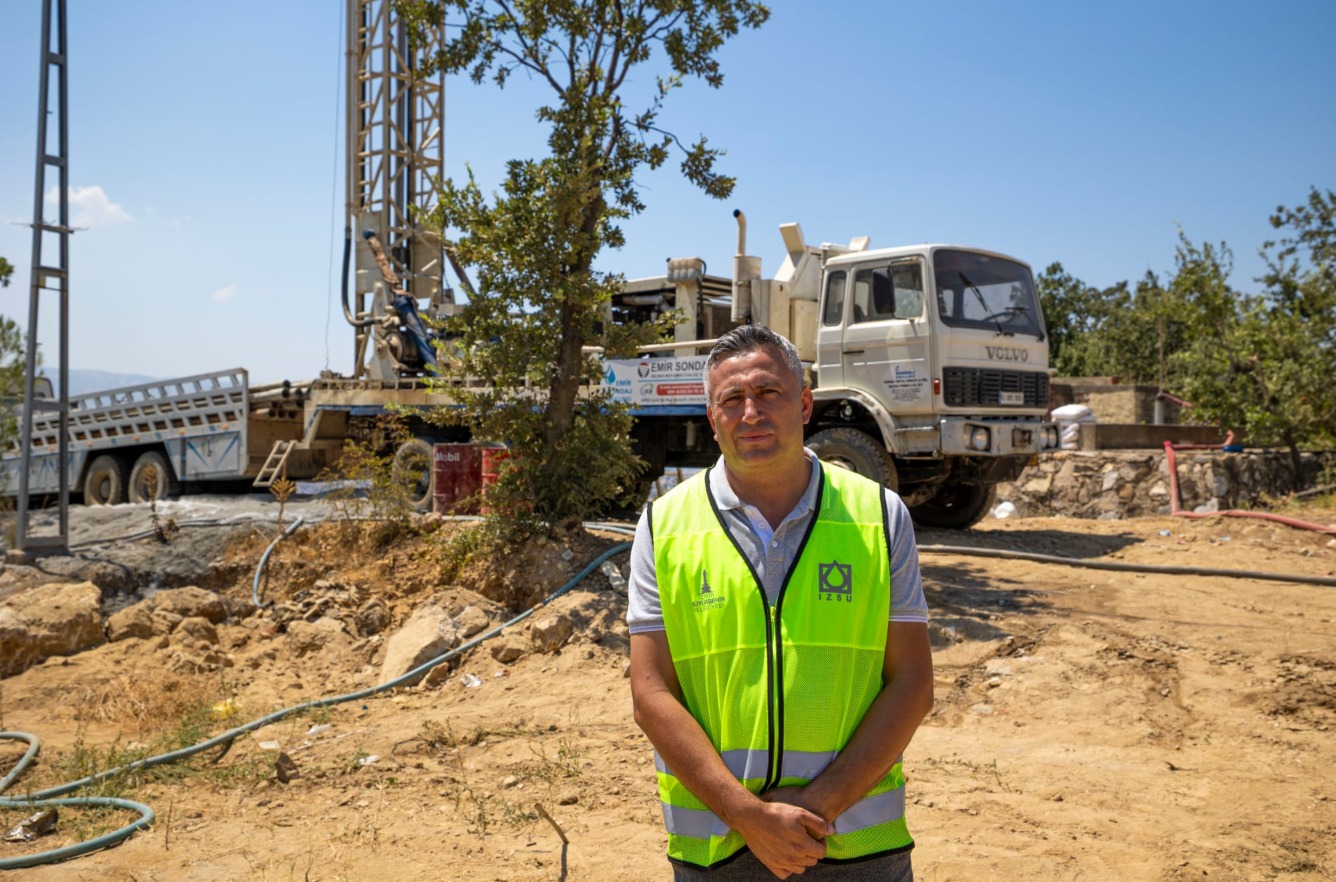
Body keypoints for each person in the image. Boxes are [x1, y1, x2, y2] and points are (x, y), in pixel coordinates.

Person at [628, 325, 934, 880]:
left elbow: (912, 682)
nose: (751, 413)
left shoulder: (881, 517)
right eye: (732, 399)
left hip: (855, 847)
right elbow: (651, 693)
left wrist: (815, 811)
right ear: (711, 418)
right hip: (721, 848)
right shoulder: (663, 526)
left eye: (768, 393)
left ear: (804, 403)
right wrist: (747, 815)